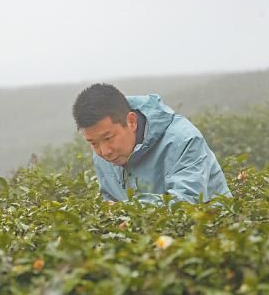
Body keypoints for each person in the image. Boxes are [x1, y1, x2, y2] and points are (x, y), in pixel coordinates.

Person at [71, 83, 231, 204]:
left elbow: (187, 201)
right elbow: (110, 200)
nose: (105, 152)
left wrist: (127, 212)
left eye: (108, 138)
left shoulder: (183, 139)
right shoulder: (103, 153)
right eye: (93, 143)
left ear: (131, 122)